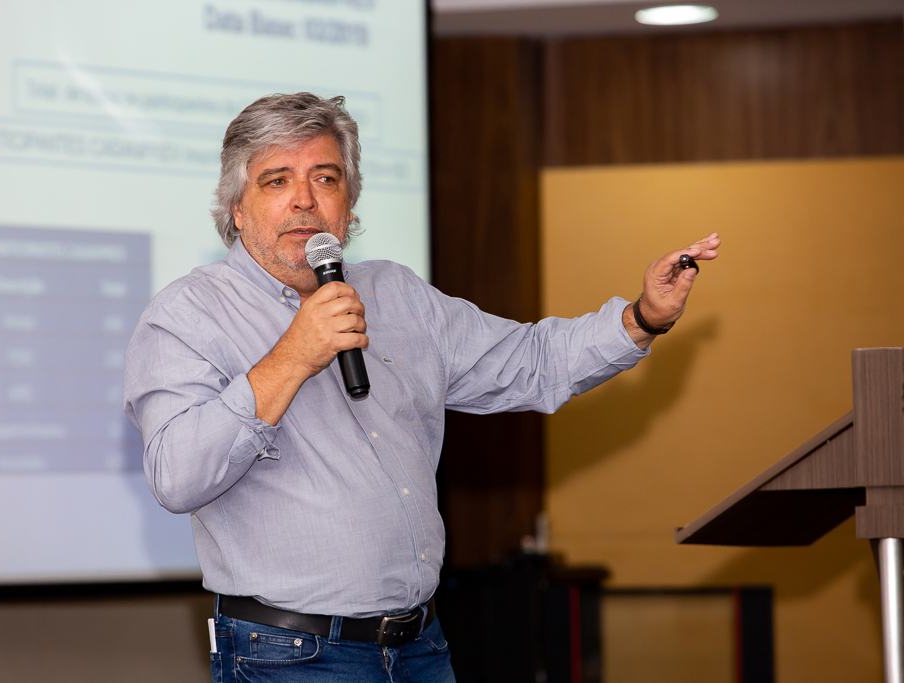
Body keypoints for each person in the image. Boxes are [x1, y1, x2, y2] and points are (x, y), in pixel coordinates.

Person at [123, 92, 720, 683]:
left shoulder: (398, 294)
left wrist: (642, 317)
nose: (304, 199)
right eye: (277, 180)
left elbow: (531, 361)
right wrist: (293, 355)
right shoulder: (187, 314)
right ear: (236, 208)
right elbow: (176, 475)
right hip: (291, 654)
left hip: (420, 648)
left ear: (349, 203)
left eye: (325, 178)